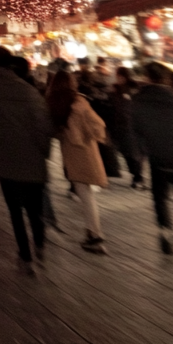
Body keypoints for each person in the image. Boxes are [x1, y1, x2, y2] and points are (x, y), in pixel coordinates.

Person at [0, 46, 52, 275]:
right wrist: (44, 151)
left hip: (5, 155)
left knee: (15, 210)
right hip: (32, 155)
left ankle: (25, 256)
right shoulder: (28, 90)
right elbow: (42, 125)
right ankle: (38, 244)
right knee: (34, 206)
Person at [132, 61, 173, 254]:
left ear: (147, 77)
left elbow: (136, 129)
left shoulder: (139, 99)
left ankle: (166, 234)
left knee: (161, 197)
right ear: (166, 78)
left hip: (157, 155)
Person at [47, 70, 108, 254]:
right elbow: (98, 124)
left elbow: (55, 129)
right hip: (85, 151)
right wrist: (90, 135)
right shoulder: (78, 101)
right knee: (87, 195)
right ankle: (95, 235)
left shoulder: (53, 102)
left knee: (84, 192)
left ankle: (92, 233)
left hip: (70, 152)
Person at [109, 67, 145, 188]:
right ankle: (136, 175)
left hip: (131, 126)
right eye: (117, 76)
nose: (118, 79)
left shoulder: (134, 88)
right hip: (119, 126)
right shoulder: (115, 89)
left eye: (120, 76)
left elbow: (134, 107)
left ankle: (138, 177)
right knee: (125, 152)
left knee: (133, 153)